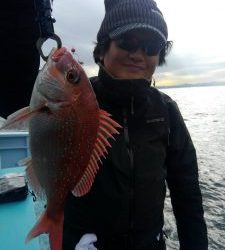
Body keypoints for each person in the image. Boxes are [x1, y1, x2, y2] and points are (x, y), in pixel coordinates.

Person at [63, 0, 208, 249]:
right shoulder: (73, 102)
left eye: (151, 46)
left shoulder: (167, 110)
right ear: (102, 49)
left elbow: (187, 193)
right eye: (127, 42)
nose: (138, 54)